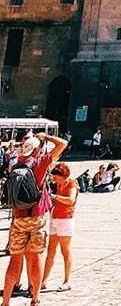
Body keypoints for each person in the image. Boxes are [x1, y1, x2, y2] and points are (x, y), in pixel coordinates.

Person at [2, 131, 68, 306]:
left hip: (18, 218)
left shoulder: (15, 165)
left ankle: (6, 301)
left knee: (15, 258)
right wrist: (45, 137)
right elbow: (62, 143)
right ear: (36, 150)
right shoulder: (40, 163)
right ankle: (35, 298)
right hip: (37, 217)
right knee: (36, 257)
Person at [40, 162, 77, 293]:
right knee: (51, 250)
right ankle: (44, 280)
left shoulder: (72, 184)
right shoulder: (58, 185)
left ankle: (67, 281)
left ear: (62, 175)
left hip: (66, 219)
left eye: (55, 176)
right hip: (55, 218)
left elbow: (70, 200)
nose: (53, 178)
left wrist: (54, 197)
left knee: (65, 250)